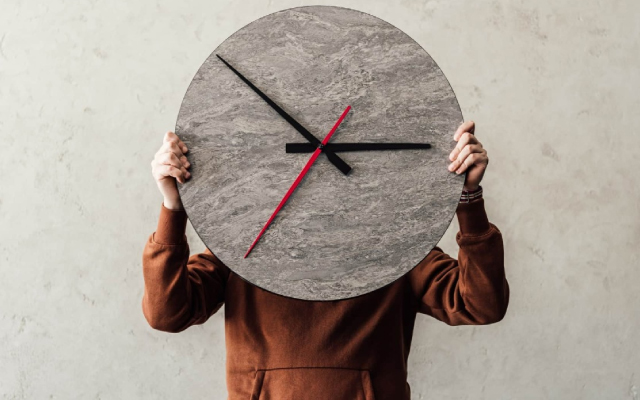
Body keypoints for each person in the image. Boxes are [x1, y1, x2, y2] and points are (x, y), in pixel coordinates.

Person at [142, 120, 509, 400]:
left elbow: (481, 304)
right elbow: (167, 313)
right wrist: (173, 207)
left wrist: (469, 198)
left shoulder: (394, 246)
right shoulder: (246, 245)